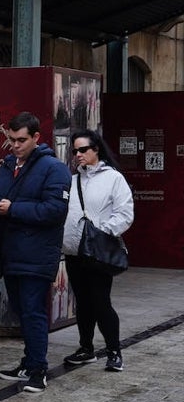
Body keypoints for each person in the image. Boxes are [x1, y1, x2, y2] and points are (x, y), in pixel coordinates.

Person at [0, 111, 70, 394]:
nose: (15, 145)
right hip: (10, 251)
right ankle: (28, 362)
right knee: (22, 311)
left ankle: (39, 370)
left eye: (21, 140)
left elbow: (55, 210)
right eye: (11, 140)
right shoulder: (8, 164)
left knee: (34, 312)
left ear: (36, 137)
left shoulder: (53, 168)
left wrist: (13, 208)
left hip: (37, 253)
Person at [61, 129, 134, 372]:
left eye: (83, 149)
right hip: (74, 252)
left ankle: (114, 351)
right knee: (82, 303)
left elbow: (124, 214)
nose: (78, 155)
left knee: (101, 302)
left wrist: (102, 232)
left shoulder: (113, 178)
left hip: (98, 251)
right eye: (75, 151)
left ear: (96, 150)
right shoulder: (72, 180)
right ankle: (86, 348)